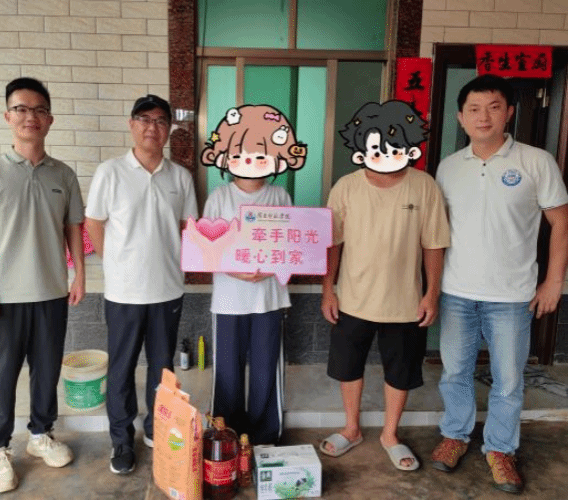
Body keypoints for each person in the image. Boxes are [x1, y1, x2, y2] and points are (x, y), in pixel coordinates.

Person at [431, 75, 568, 494]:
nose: (483, 116)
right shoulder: (449, 167)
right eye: (474, 109)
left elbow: (561, 222)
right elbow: (436, 232)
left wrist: (553, 282)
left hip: (511, 295)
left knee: (508, 379)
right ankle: (455, 435)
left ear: (509, 112)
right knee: (455, 372)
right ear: (461, 117)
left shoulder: (536, 161)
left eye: (493, 107)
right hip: (456, 292)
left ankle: (500, 449)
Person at [0, 77, 85, 494]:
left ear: (50, 119)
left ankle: (40, 434)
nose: (30, 116)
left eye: (39, 110)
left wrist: (80, 275)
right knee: (0, 376)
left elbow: (73, 228)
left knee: (46, 372)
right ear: (7, 116)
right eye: (21, 108)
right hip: (4, 296)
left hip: (52, 292)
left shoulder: (63, 174)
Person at [320, 100, 450, 471]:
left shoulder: (424, 186)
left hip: (406, 303)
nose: (385, 151)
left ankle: (390, 434)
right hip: (352, 299)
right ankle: (351, 428)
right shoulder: (346, 187)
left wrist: (431, 293)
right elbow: (332, 243)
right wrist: (328, 290)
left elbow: (434, 243)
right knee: (348, 367)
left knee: (400, 371)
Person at [84, 95, 198, 475]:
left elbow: (188, 228)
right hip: (124, 292)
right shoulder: (110, 172)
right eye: (145, 119)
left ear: (169, 129)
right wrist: (114, 262)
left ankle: (156, 429)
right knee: (122, 367)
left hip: (167, 289)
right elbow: (94, 223)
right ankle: (121, 439)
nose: (153, 127)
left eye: (161, 120)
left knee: (162, 368)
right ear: (132, 124)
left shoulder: (180, 177)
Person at [200, 105, 302, 444]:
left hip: (268, 298)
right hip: (228, 299)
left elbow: (292, 244)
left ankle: (264, 435)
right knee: (227, 371)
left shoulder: (280, 195)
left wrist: (270, 268)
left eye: (261, 152)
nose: (252, 159)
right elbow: (206, 248)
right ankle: (226, 435)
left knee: (265, 367)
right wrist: (234, 269)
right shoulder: (219, 197)